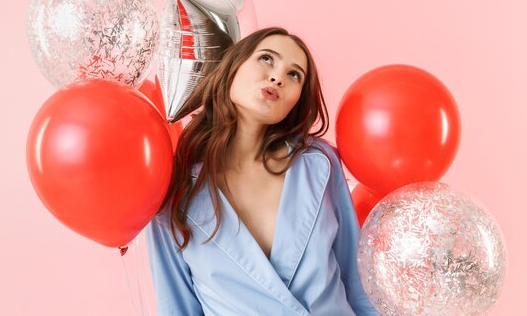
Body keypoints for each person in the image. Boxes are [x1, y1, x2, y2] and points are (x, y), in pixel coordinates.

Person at [145, 27, 379, 316]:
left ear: (297, 99)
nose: (278, 77)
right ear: (232, 66)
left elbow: (359, 284)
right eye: (267, 58)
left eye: (294, 75)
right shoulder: (174, 190)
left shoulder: (319, 162)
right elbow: (177, 308)